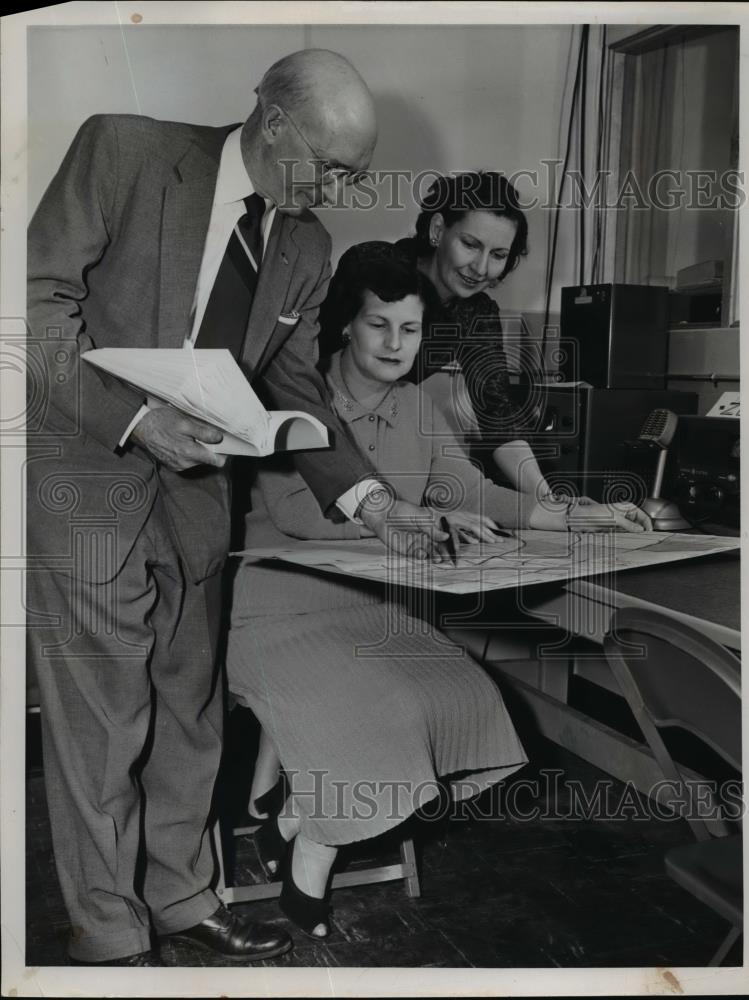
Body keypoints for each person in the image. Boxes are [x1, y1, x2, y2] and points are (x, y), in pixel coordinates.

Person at [25, 49, 446, 968]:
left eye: (354, 175)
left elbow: (295, 379)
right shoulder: (125, 154)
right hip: (90, 475)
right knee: (104, 722)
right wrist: (136, 418)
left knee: (191, 707)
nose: (337, 189)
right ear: (273, 121)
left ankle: (181, 897)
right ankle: (107, 933)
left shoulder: (304, 247)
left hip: (200, 496)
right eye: (330, 167)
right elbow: (32, 306)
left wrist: (373, 502)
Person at [226, 247, 650, 939]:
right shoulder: (294, 399)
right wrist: (417, 518)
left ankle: (303, 808)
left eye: (412, 329)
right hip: (280, 605)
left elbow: (472, 490)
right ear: (344, 328)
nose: (396, 345)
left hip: (378, 607)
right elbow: (298, 514)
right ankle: (314, 846)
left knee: (463, 694)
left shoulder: (419, 403)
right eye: (379, 326)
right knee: (382, 705)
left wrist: (574, 512)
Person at [319, 170, 558, 494]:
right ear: (437, 229)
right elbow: (312, 361)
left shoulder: (476, 313)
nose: (481, 268)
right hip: (317, 430)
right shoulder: (372, 265)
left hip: (384, 450)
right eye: (470, 244)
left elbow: (498, 413)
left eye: (498, 255)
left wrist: (548, 498)